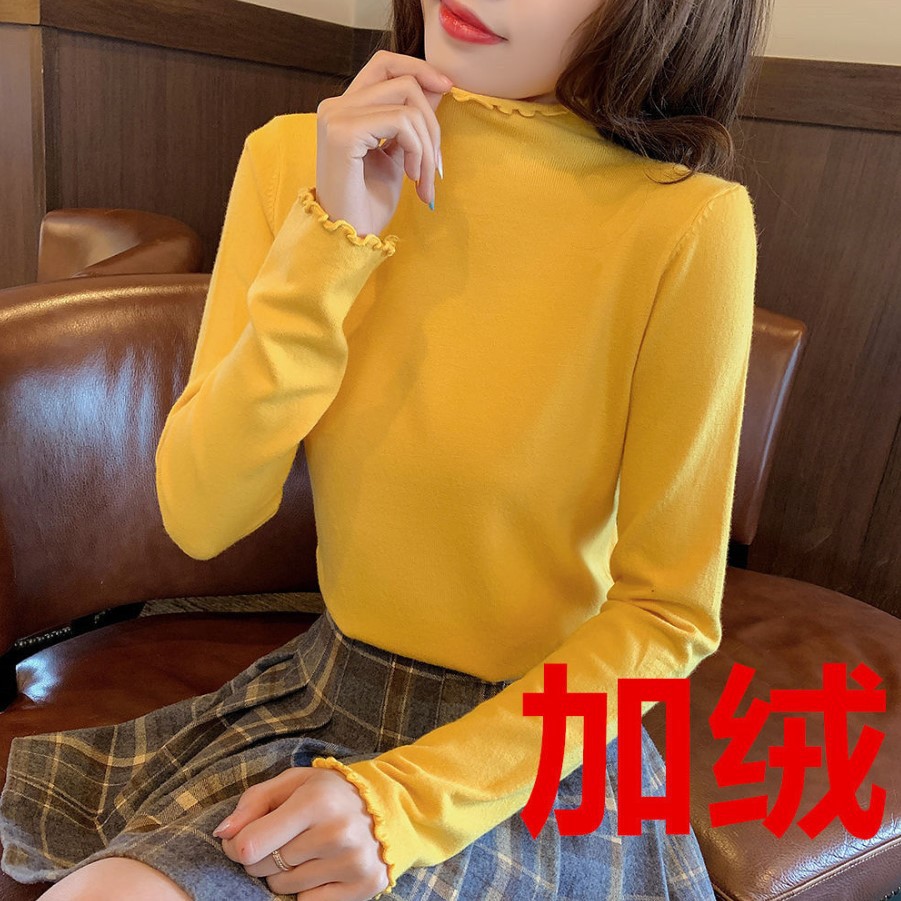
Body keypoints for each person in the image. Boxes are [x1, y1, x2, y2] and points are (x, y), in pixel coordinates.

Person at [0, 0, 772, 898]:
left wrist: (399, 803)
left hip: (533, 748)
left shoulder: (687, 224)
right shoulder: (293, 158)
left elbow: (667, 613)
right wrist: (332, 242)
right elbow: (202, 515)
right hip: (330, 690)